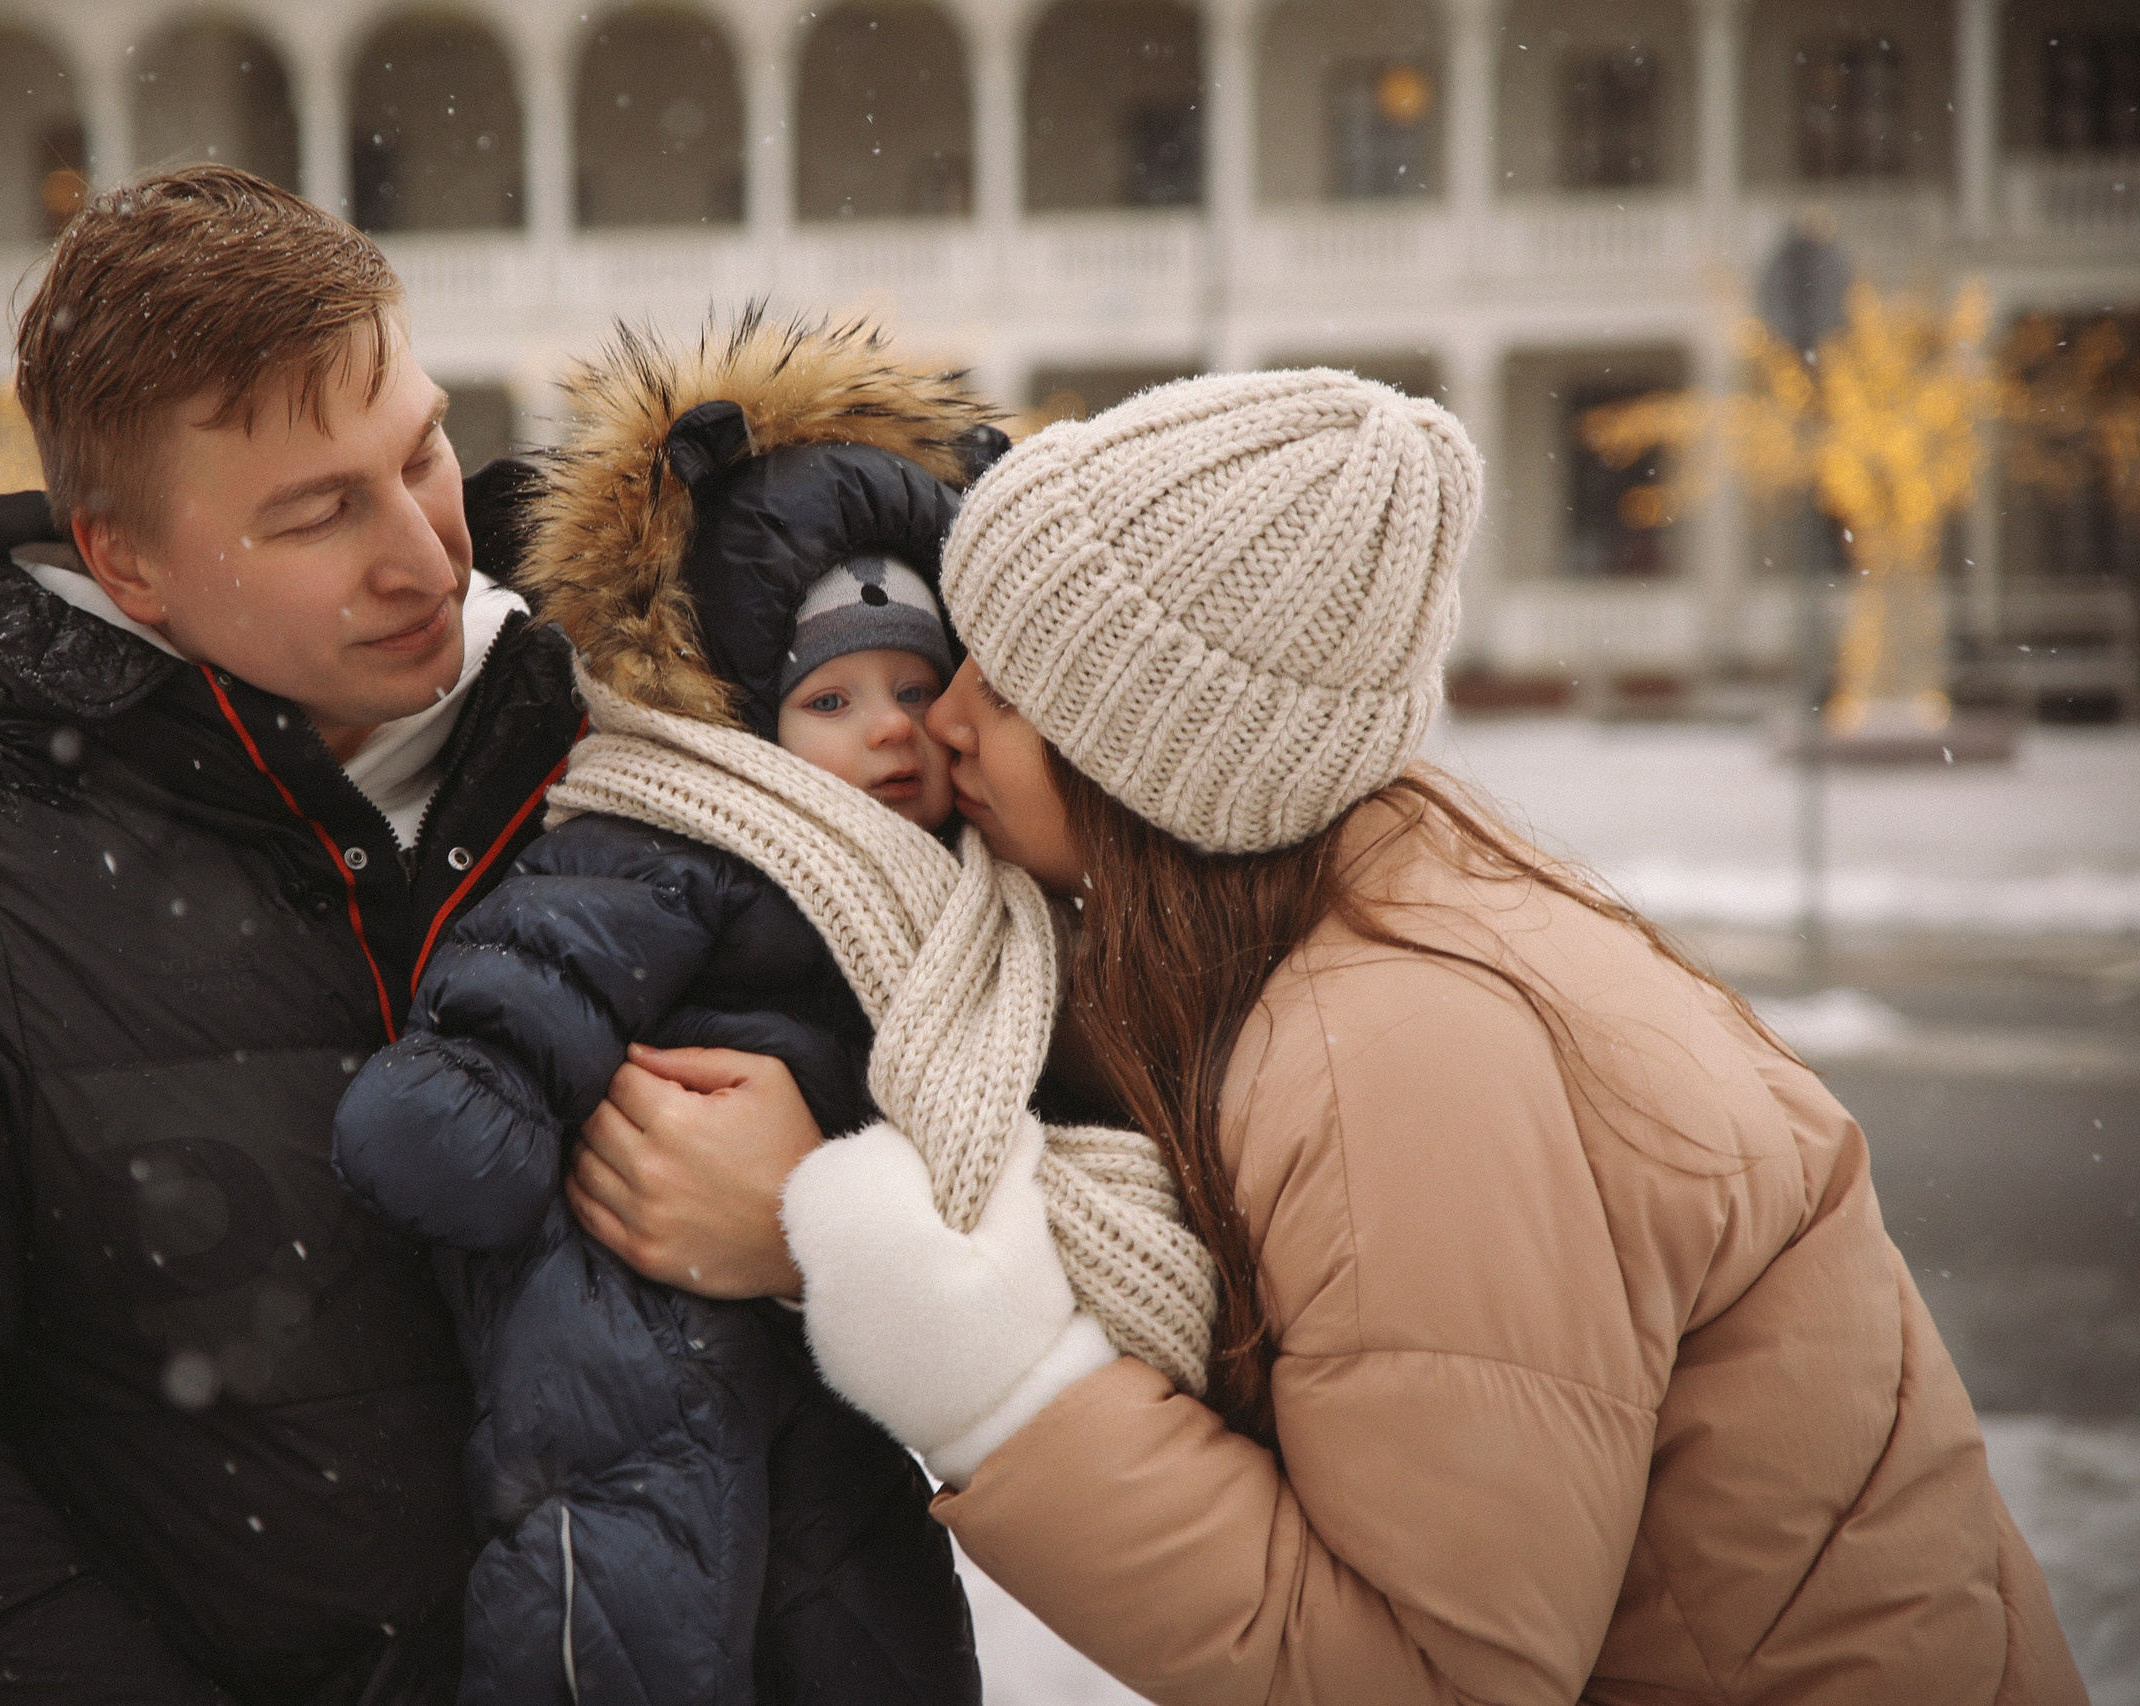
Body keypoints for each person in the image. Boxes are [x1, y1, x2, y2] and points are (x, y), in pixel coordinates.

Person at [604, 370, 2090, 1704]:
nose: (945, 721)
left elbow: (1425, 1675)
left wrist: (904, 1300)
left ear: (1151, 762)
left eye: (1005, 683)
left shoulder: (1402, 1052)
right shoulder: (1334, 926)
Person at [0, 166, 588, 1705]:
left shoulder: (625, 756)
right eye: (319, 511)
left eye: (421, 448)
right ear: (127, 559)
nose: (430, 555)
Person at [329, 315, 992, 1705]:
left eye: (915, 688)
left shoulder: (959, 907)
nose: (888, 727)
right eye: (832, 696)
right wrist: (478, 1087)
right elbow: (560, 950)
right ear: (747, 713)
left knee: (861, 1607)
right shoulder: (693, 834)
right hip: (624, 1287)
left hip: (811, 1339)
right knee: (624, 1565)